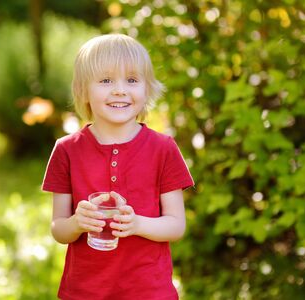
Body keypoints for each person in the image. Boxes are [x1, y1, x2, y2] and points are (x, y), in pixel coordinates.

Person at [42, 33, 194, 300]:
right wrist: (77, 223)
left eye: (132, 80)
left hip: (149, 292)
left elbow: (175, 225)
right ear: (83, 91)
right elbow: (59, 229)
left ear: (147, 89)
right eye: (106, 80)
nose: (120, 90)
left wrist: (137, 224)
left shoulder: (163, 149)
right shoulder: (67, 150)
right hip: (85, 291)